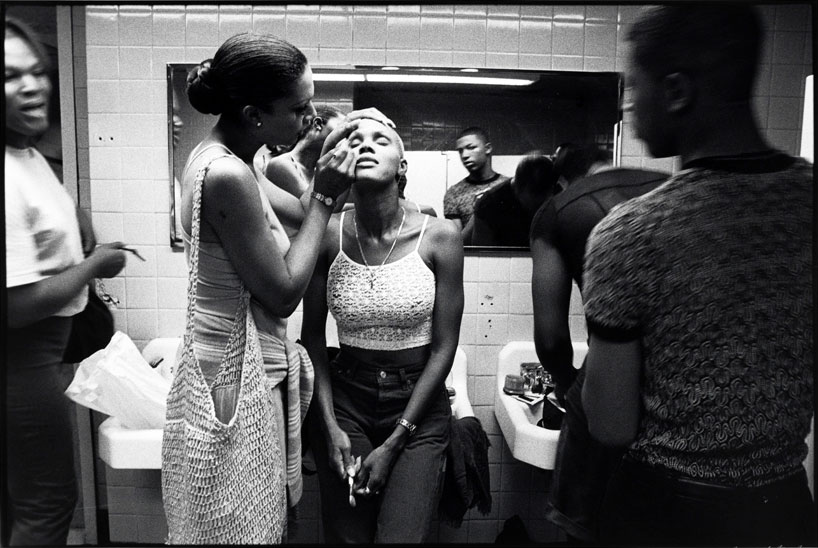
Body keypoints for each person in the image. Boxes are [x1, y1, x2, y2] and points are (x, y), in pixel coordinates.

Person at [581, 6, 815, 546]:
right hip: (785, 509)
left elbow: (610, 424)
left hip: (668, 513)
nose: (627, 105)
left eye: (632, 87)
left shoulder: (633, 233)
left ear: (678, 91)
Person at [173, 31, 391, 541]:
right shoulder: (225, 174)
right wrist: (325, 197)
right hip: (234, 372)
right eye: (299, 108)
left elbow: (304, 214)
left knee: (257, 518)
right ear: (254, 115)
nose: (309, 117)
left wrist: (348, 150)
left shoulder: (238, 158)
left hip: (247, 360)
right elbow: (285, 290)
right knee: (241, 526)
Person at [300, 117, 464, 543]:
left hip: (417, 409)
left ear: (403, 164)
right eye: (356, 141)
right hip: (347, 400)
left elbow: (445, 349)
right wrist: (330, 425)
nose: (367, 145)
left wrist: (394, 442)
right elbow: (313, 341)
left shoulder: (441, 236)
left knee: (400, 536)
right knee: (348, 535)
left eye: (382, 139)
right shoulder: (325, 235)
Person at [4, 16, 128, 546]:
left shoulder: (26, 154)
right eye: (10, 76)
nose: (32, 86)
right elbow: (16, 305)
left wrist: (78, 227)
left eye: (37, 71)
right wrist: (95, 264)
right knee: (48, 502)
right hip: (20, 358)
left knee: (25, 500)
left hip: (41, 356)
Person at [529, 143, 667, 542]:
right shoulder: (671, 189)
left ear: (560, 181)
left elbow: (552, 337)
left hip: (607, 378)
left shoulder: (558, 212)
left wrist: (566, 382)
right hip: (684, 380)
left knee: (585, 523)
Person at [255, 105, 345, 236]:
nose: (345, 137)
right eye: (342, 130)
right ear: (318, 124)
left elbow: (329, 206)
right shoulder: (281, 165)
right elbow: (318, 211)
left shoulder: (313, 172)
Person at [469, 152, 558, 247]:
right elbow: (483, 254)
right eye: (535, 196)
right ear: (518, 189)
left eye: (544, 198)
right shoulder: (488, 204)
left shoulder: (559, 193)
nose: (540, 206)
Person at [443, 126, 510, 240]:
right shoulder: (454, 193)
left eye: (471, 147)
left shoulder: (509, 187)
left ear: (487, 148)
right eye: (460, 151)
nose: (464, 155)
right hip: (472, 257)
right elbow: (456, 242)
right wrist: (481, 208)